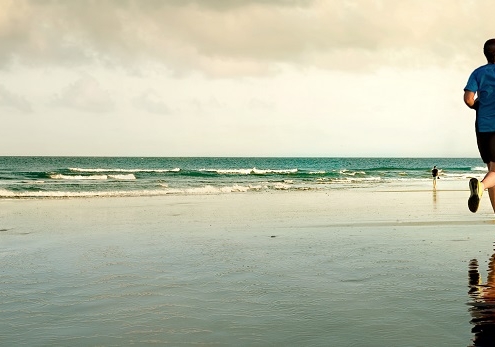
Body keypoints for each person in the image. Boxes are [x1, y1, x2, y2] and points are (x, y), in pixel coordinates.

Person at [464, 38, 495, 213]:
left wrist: (479, 105)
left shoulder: (478, 73)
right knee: (493, 175)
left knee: (492, 170)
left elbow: (468, 99)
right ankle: (481, 187)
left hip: (483, 127)